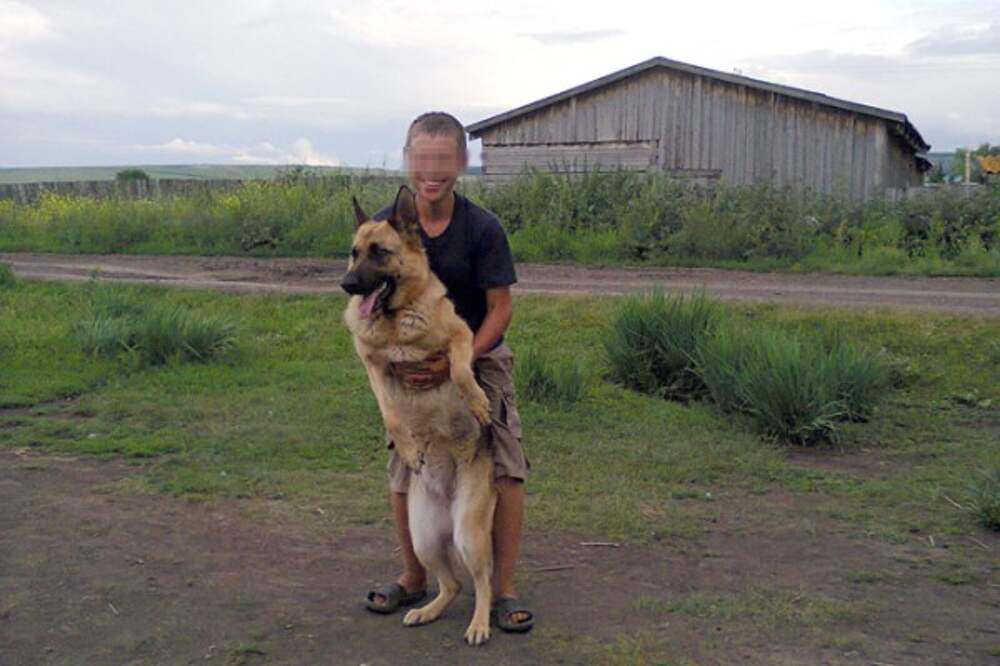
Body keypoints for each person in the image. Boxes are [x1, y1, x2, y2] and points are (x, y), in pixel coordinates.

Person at [362, 112, 533, 633]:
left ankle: (502, 591)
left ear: (461, 163)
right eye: (422, 158)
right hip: (408, 366)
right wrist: (396, 362)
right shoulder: (383, 227)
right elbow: (371, 302)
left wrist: (461, 362)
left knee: (505, 464)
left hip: (473, 357)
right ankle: (414, 576)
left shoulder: (482, 228)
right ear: (408, 159)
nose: (431, 170)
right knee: (403, 466)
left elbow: (500, 310)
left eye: (443, 159)